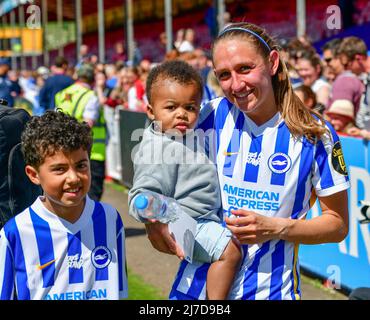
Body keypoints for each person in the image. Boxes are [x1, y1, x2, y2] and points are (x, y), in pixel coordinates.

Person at [144, 22, 350, 300]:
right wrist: (153, 220)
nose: (236, 85)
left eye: (245, 69)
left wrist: (278, 227)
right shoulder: (206, 117)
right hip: (194, 291)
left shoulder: (316, 134)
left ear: (273, 62)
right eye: (224, 75)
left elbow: (337, 224)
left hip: (272, 291)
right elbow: (153, 160)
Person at [128, 60, 241, 300]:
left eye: (190, 107)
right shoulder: (157, 149)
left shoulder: (183, 135)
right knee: (231, 253)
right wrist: (168, 213)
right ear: (151, 111)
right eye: (171, 107)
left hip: (203, 218)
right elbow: (139, 198)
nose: (181, 114)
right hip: (190, 222)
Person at [0, 111, 128, 300]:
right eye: (60, 169)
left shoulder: (110, 218)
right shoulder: (15, 232)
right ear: (33, 175)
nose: (74, 178)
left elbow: (120, 290)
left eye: (81, 166)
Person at [55, 63, 107, 202]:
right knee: (93, 190)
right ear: (92, 79)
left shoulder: (62, 94)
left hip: (65, 149)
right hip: (91, 151)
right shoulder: (91, 96)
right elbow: (87, 125)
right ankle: (91, 223)